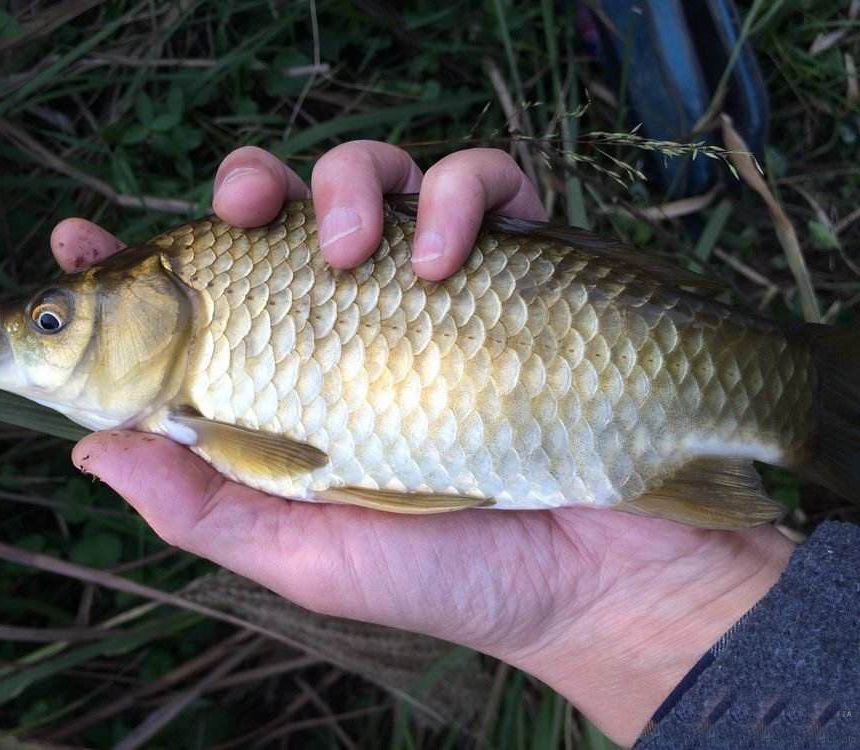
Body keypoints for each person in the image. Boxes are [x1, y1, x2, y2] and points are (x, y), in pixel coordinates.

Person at [50, 142, 858, 748]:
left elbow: (295, 461)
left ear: (159, 305)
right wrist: (622, 619)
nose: (45, 338)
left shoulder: (204, 372)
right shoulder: (192, 414)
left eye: (52, 324)